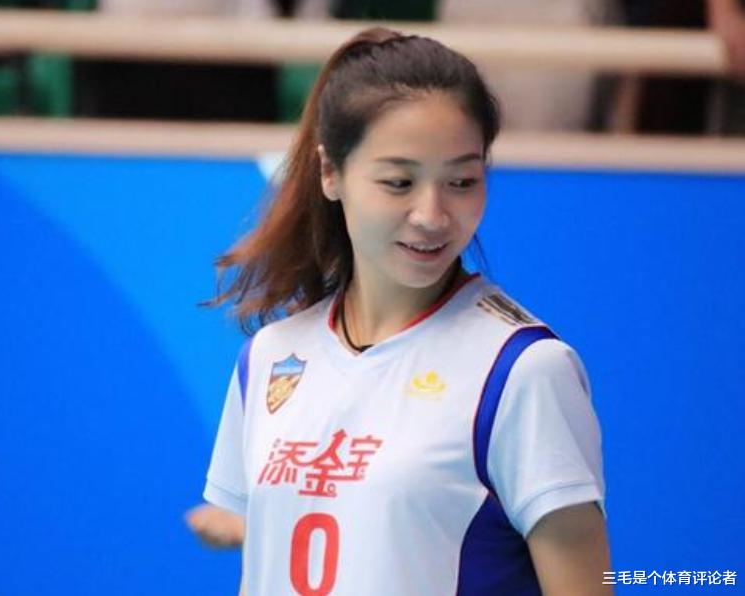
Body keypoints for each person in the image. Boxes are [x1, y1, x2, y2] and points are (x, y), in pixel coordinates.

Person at [192, 26, 612, 595]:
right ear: (330, 172)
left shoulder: (523, 370)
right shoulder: (271, 357)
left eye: (462, 180)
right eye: (398, 182)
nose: (432, 215)